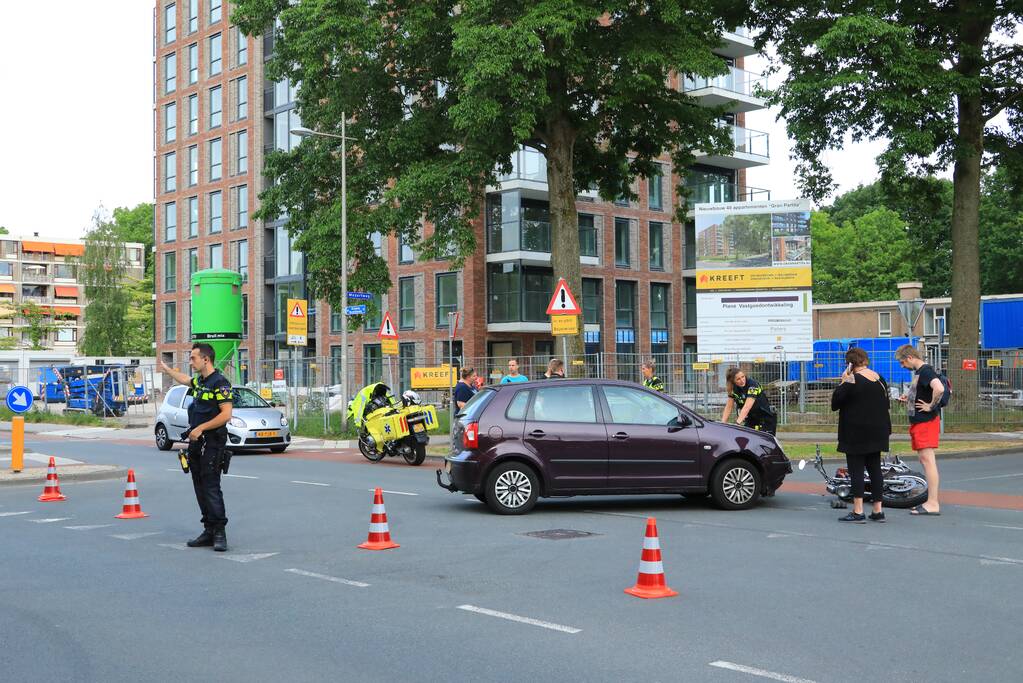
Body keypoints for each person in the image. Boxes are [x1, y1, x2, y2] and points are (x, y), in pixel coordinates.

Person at [159, 344, 234, 552]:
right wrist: (168, 370)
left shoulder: (220, 383)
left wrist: (200, 428)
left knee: (211, 486)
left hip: (212, 442)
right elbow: (185, 379)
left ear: (206, 359)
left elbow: (226, 414)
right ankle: (208, 530)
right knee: (199, 486)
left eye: (193, 358)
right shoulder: (200, 382)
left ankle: (219, 532)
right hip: (196, 442)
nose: (191, 362)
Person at [831, 348, 891, 523]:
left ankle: (858, 511)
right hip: (878, 430)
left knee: (856, 470)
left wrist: (843, 381)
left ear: (850, 364)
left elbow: (835, 403)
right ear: (865, 360)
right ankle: (878, 510)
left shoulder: (852, 380)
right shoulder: (879, 378)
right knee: (875, 469)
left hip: (856, 432)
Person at [896, 344, 944, 515]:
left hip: (926, 422)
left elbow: (939, 388)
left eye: (902, 362)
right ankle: (931, 501)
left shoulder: (925, 371)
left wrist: (930, 406)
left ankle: (933, 503)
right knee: (926, 460)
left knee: (927, 461)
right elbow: (926, 391)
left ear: (910, 357)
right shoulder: (920, 372)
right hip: (921, 422)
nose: (902, 366)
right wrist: (909, 398)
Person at [721, 367, 777, 435]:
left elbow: (747, 407)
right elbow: (729, 407)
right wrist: (722, 424)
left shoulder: (752, 385)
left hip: (765, 418)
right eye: (738, 379)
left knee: (764, 440)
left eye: (743, 377)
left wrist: (737, 424)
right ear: (733, 381)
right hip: (751, 419)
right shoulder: (733, 388)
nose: (742, 380)